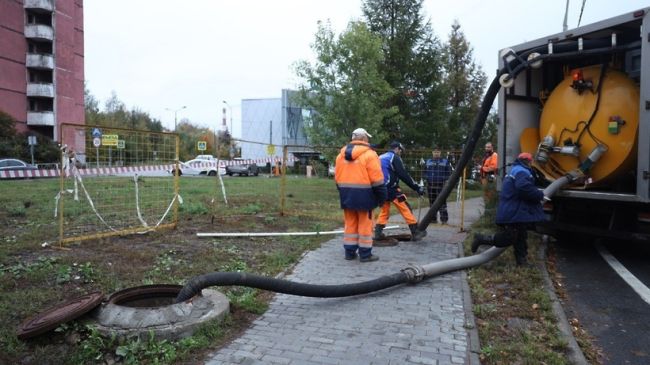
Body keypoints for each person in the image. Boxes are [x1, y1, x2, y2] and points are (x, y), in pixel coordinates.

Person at [471, 152, 545, 266]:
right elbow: (524, 188)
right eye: (531, 162)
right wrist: (539, 195)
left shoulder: (516, 169)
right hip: (513, 210)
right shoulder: (522, 171)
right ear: (529, 162)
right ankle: (481, 238)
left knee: (521, 236)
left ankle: (522, 262)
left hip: (515, 209)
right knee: (509, 237)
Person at [335, 128, 387, 262]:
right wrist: (382, 198)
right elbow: (377, 180)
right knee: (365, 225)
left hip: (346, 194)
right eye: (367, 138)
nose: (368, 140)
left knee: (350, 224)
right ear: (363, 139)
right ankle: (365, 254)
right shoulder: (370, 154)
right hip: (365, 196)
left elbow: (337, 178)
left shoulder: (340, 155)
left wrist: (343, 192)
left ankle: (349, 253)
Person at [374, 141, 427, 241]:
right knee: (405, 207)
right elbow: (403, 175)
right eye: (401, 151)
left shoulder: (381, 157)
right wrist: (416, 187)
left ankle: (378, 233)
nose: (400, 153)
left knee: (385, 211)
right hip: (391, 189)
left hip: (380, 188)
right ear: (397, 149)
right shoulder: (394, 157)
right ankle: (415, 232)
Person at [424, 147, 452, 224]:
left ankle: (444, 220)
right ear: (432, 153)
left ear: (440, 153)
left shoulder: (445, 162)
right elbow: (424, 171)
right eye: (435, 152)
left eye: (438, 152)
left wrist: (444, 179)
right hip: (430, 184)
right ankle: (433, 219)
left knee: (442, 202)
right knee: (432, 202)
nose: (436, 153)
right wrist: (427, 178)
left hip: (441, 185)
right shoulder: (428, 161)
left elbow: (449, 173)